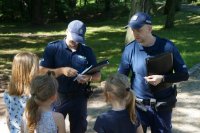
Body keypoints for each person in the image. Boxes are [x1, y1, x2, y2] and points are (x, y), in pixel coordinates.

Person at [118, 12, 189, 133]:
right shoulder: (130, 49)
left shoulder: (167, 47)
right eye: (133, 30)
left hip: (163, 107)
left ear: (149, 28)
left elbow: (184, 74)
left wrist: (163, 78)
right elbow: (121, 77)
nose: (135, 34)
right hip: (138, 108)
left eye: (138, 30)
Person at [39, 20, 101, 133]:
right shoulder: (53, 48)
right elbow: (41, 72)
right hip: (56, 96)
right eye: (74, 37)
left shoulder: (87, 51)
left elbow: (98, 76)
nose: (75, 42)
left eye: (79, 39)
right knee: (54, 129)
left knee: (79, 129)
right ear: (66, 31)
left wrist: (88, 78)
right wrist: (61, 71)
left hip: (79, 97)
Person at [3, 52, 39, 133]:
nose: (38, 70)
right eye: (36, 68)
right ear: (31, 71)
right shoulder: (35, 95)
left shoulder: (8, 94)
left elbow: (8, 117)